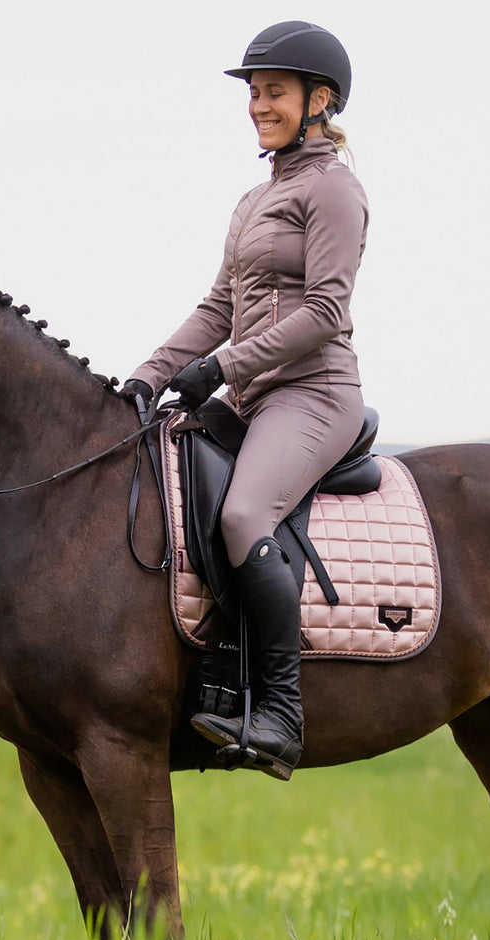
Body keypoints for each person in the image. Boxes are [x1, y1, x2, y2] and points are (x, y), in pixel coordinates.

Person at [121, 21, 368, 781]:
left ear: (319, 100)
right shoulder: (256, 198)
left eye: (275, 92)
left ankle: (282, 715)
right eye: (254, 93)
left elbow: (324, 311)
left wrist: (221, 366)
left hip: (315, 394)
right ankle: (219, 676)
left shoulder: (334, 189)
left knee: (241, 514)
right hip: (256, 395)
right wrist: (148, 374)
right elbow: (217, 306)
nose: (259, 105)